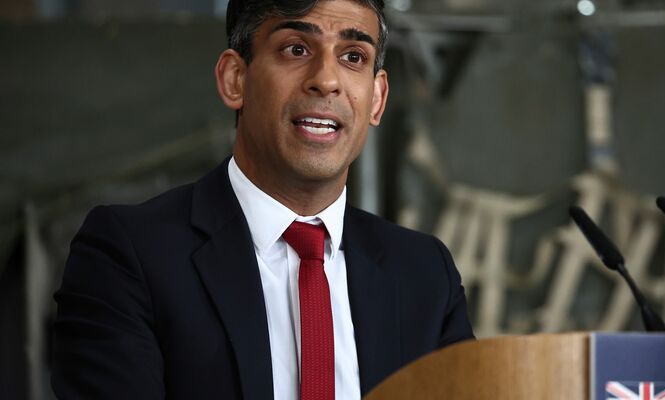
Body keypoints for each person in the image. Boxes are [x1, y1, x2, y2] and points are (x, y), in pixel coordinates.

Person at [50, 0, 474, 399]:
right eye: (295, 48)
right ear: (235, 79)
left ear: (377, 98)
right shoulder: (129, 255)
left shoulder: (424, 274)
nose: (327, 80)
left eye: (353, 57)